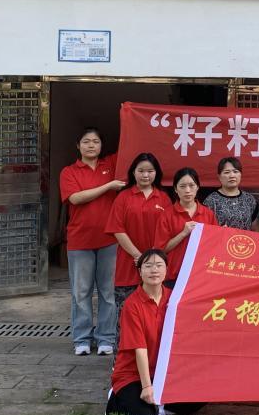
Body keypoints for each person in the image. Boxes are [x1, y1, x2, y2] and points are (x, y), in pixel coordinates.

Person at [105, 249, 205, 415]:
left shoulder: (174, 299)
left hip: (164, 371)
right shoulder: (132, 305)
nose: (154, 270)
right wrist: (146, 387)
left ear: (166, 270)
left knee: (200, 397)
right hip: (133, 374)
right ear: (139, 271)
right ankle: (115, 398)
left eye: (159, 265)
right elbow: (140, 349)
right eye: (148, 266)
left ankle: (160, 403)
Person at [59, 127, 125, 357]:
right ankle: (82, 339)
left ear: (101, 145)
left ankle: (106, 337)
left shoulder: (111, 165)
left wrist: (130, 115)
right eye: (86, 141)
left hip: (109, 240)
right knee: (81, 293)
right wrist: (108, 186)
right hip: (80, 241)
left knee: (108, 292)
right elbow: (76, 198)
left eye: (95, 141)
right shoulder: (69, 172)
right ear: (78, 146)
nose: (91, 145)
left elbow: (132, 141)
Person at [106, 152, 170, 330]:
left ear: (157, 173)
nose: (145, 175)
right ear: (133, 172)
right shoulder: (123, 197)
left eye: (150, 171)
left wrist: (150, 260)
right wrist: (139, 257)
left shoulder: (164, 198)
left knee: (156, 319)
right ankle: (123, 350)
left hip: (156, 267)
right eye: (141, 171)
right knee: (125, 319)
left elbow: (168, 231)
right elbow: (117, 229)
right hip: (128, 265)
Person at [155, 167, 218, 286]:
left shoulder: (208, 214)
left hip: (201, 274)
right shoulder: (166, 215)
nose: (187, 190)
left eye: (191, 185)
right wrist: (183, 233)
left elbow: (214, 246)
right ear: (175, 189)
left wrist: (221, 234)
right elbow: (161, 250)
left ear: (198, 187)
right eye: (182, 186)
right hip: (173, 275)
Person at [202, 156, 258, 231]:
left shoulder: (249, 199)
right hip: (220, 238)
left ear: (240, 174)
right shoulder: (211, 201)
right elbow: (205, 229)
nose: (232, 176)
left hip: (244, 238)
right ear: (219, 176)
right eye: (227, 172)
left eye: (235, 171)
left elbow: (255, 229)